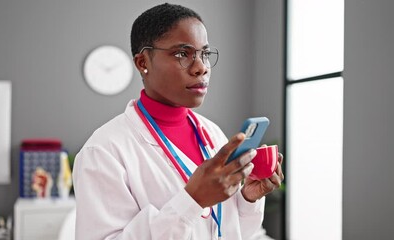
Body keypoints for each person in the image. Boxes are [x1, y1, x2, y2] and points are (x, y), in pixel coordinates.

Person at [72, 3, 284, 240]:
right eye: (182, 54)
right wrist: (193, 200)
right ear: (143, 63)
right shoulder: (103, 151)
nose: (201, 67)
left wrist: (247, 199)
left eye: (204, 53)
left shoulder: (212, 134)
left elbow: (230, 232)